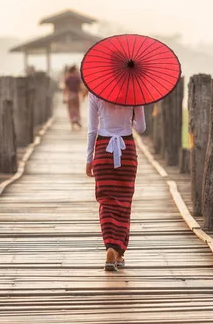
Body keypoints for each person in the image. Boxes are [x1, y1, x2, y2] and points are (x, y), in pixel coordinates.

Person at [86, 93, 146, 271]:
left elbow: (92, 129)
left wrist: (89, 159)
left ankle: (110, 247)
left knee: (106, 201)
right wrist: (131, 122)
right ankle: (119, 251)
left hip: (103, 150)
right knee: (124, 202)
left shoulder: (95, 92)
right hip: (126, 149)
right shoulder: (135, 92)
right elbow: (141, 128)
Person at [63, 65, 82, 130]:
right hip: (76, 94)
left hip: (70, 94)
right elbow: (79, 87)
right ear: (74, 70)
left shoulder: (67, 78)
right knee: (77, 108)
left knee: (70, 109)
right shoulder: (77, 77)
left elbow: (65, 88)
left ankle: (72, 123)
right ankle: (76, 119)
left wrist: (64, 97)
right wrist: (81, 95)